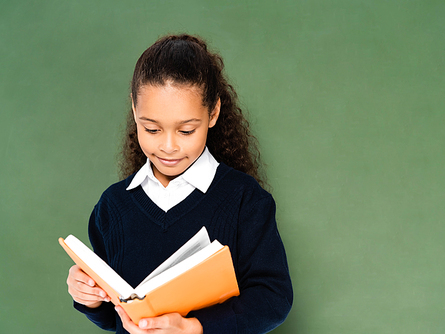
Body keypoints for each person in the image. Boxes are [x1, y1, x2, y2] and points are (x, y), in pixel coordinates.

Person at [66, 34, 293, 334]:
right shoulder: (112, 207)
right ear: (134, 110)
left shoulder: (245, 200)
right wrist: (89, 298)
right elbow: (115, 318)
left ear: (212, 113)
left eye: (186, 130)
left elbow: (273, 298)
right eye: (152, 128)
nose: (168, 146)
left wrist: (197, 328)